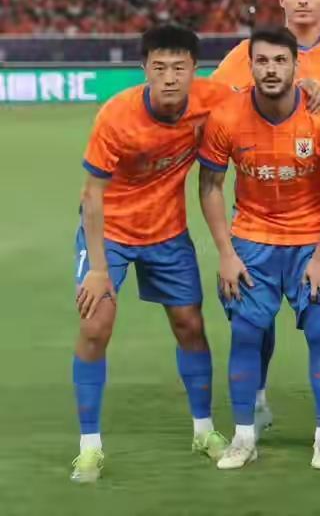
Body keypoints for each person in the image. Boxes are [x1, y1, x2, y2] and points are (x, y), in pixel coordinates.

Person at [212, 0, 320, 442]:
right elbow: (217, 103)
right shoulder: (248, 54)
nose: (303, 0)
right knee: (255, 315)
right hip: (263, 212)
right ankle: (258, 401)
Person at [70, 24, 233, 483]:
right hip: (110, 232)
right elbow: (92, 195)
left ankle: (203, 430)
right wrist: (97, 269)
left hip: (167, 231)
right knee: (95, 324)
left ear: (194, 70)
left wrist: (311, 87)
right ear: (143, 69)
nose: (169, 77)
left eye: (179, 67)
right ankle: (89, 448)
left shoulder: (213, 100)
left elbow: (261, 94)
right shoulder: (116, 116)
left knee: (190, 326)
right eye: (159, 67)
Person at [197, 26, 320, 470]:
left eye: (280, 60)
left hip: (310, 242)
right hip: (252, 241)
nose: (271, 69)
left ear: (296, 66)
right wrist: (226, 253)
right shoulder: (226, 117)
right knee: (245, 335)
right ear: (250, 66)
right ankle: (244, 437)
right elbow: (210, 186)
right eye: (262, 61)